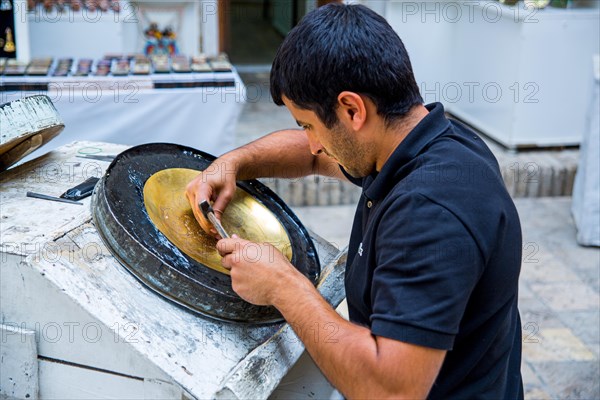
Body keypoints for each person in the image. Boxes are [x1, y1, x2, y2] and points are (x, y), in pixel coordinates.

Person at [186, 4, 523, 399]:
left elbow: (391, 390)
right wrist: (234, 162)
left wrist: (283, 286)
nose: (312, 143)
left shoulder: (430, 213)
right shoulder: (425, 143)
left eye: (308, 125)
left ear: (352, 109)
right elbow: (313, 155)